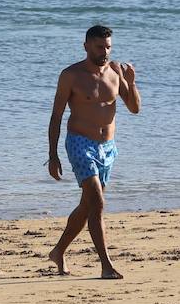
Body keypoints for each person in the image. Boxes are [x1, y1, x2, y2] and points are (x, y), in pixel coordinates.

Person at [46, 25, 141, 279]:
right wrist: (53, 155)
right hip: (79, 143)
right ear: (86, 45)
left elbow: (134, 108)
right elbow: (56, 117)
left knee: (88, 206)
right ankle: (106, 265)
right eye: (100, 47)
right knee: (98, 203)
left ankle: (58, 251)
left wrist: (131, 84)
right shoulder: (71, 75)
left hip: (108, 147)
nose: (105, 52)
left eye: (108, 47)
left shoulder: (115, 72)